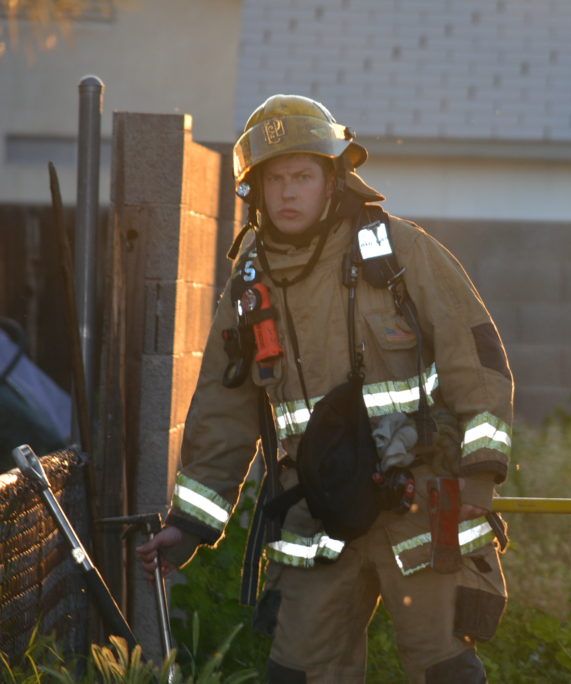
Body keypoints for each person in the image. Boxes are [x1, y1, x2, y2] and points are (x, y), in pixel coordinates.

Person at [136, 94, 514, 683]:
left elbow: (477, 357)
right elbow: (223, 409)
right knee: (301, 674)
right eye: (275, 179)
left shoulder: (397, 252)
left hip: (418, 502)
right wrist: (190, 524)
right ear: (255, 191)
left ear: (333, 180)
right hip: (317, 513)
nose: (287, 193)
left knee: (444, 668)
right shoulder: (249, 287)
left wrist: (481, 473)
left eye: (302, 176)